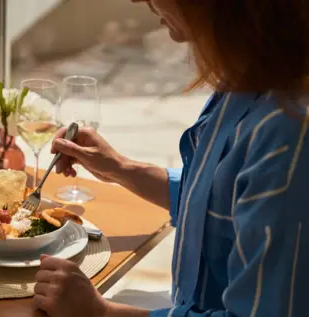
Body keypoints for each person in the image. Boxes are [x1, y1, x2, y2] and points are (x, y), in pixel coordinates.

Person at [33, 0, 309, 316]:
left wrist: (99, 312)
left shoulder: (288, 133)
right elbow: (218, 201)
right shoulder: (246, 82)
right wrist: (119, 168)